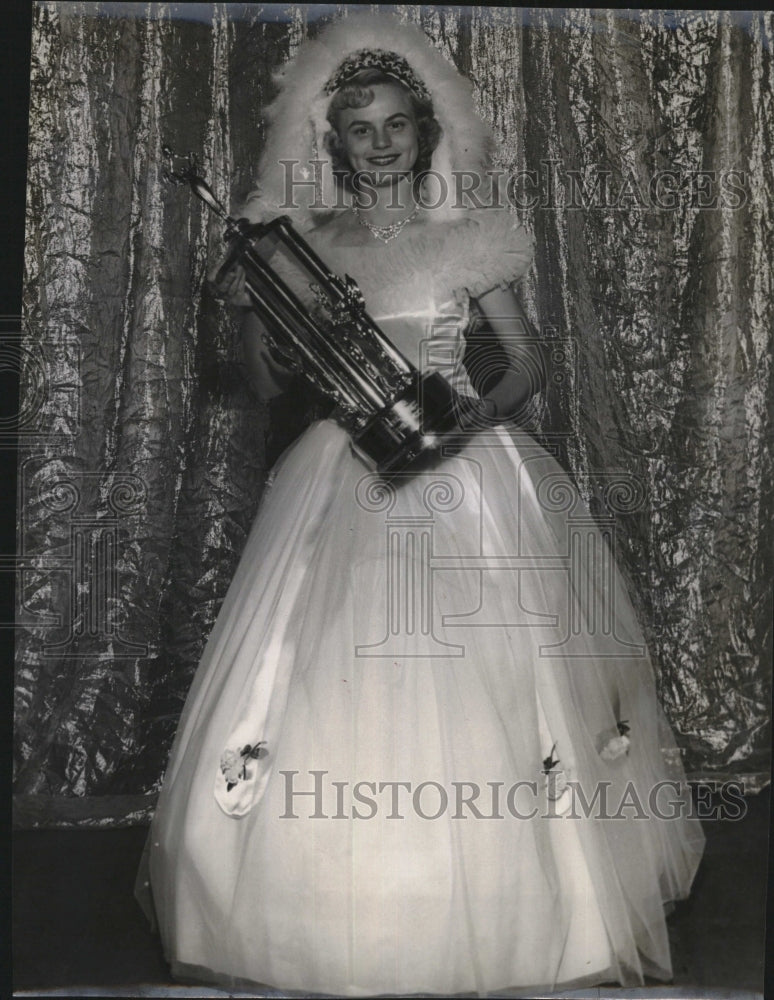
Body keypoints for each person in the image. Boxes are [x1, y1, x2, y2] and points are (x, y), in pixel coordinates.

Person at [137, 13, 704, 997]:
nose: (382, 143)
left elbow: (525, 359)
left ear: (423, 132)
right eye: (361, 130)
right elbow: (266, 387)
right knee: (324, 673)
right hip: (340, 475)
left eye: (397, 124)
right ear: (337, 143)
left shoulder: (465, 238)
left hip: (461, 469)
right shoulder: (306, 246)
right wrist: (257, 329)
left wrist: (474, 416)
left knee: (494, 680)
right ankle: (313, 909)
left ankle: (519, 904)